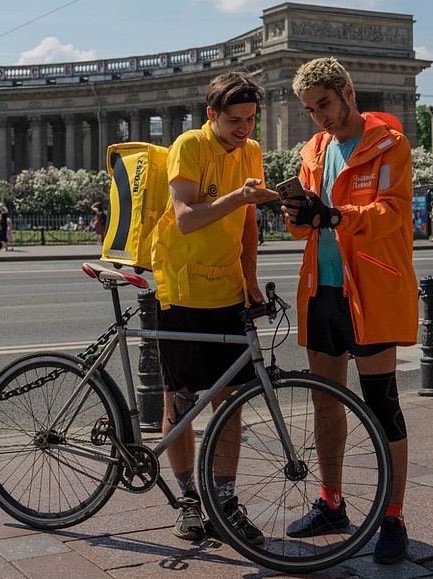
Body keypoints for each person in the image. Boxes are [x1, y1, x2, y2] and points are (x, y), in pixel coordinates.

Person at [280, 57, 416, 565]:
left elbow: (394, 213)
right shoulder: (313, 151)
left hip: (371, 293)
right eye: (311, 109)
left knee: (382, 405)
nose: (319, 117)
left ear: (348, 92)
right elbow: (301, 229)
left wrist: (336, 214)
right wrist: (298, 212)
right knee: (325, 402)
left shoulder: (390, 145)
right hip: (323, 291)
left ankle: (393, 516)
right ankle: (331, 502)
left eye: (325, 104)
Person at [150, 71, 279, 544]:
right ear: (211, 116)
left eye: (250, 119)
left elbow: (248, 226)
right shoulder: (189, 145)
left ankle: (224, 502)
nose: (243, 129)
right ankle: (187, 499)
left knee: (231, 403)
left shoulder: (252, 152)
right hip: (181, 290)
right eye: (233, 120)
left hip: (227, 290)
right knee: (180, 400)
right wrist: (238, 196)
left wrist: (249, 280)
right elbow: (185, 220)